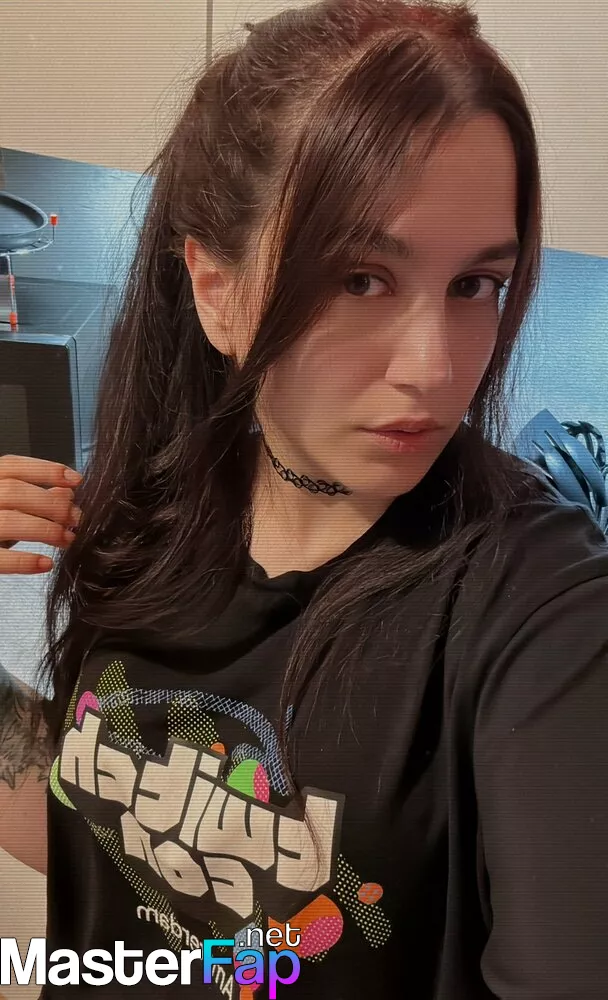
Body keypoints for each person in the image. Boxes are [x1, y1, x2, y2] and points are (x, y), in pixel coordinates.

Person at [1, 0, 608, 996]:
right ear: (215, 289)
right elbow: (105, 844)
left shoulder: (542, 607)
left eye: (475, 285)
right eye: (361, 279)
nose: (433, 369)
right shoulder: (151, 517)